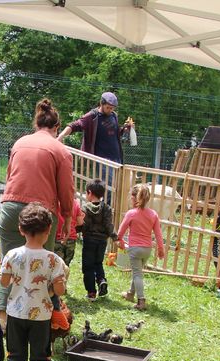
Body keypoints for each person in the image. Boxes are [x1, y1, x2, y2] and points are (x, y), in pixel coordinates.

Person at [0, 98, 75, 327]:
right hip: (41, 212)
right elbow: (66, 189)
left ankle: (2, 319)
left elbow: (10, 174)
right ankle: (49, 318)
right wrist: (67, 217)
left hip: (10, 207)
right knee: (44, 266)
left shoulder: (20, 143)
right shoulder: (60, 150)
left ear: (36, 124)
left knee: (7, 264)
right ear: (56, 127)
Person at [0, 203, 68, 361]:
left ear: (20, 229)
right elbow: (59, 290)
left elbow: (3, 283)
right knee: (41, 357)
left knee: (15, 355)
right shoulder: (53, 259)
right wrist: (59, 279)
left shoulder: (12, 254)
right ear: (48, 231)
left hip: (16, 314)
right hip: (41, 315)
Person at [57, 92, 134, 205]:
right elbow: (74, 125)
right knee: (110, 187)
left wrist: (125, 129)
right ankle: (106, 212)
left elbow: (115, 134)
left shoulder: (114, 116)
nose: (110, 110)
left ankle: (108, 212)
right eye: (108, 107)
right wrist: (60, 136)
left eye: (112, 108)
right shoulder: (92, 116)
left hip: (117, 158)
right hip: (102, 159)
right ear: (101, 104)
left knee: (117, 188)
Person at [116, 183, 166, 311]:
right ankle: (130, 294)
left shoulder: (131, 213)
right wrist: (161, 249)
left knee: (137, 274)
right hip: (147, 250)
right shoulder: (153, 214)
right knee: (137, 271)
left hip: (134, 248)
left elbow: (120, 233)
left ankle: (141, 300)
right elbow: (158, 234)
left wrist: (120, 241)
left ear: (134, 198)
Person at [80, 179, 117, 301]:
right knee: (98, 263)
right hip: (102, 242)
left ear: (89, 192)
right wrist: (114, 237)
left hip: (89, 241)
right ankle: (101, 280)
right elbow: (108, 225)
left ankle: (91, 293)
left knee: (88, 266)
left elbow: (83, 226)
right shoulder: (107, 208)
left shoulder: (85, 208)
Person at [54, 193, 83, 268]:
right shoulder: (76, 203)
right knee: (66, 265)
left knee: (57, 264)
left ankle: (57, 278)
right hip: (71, 238)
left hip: (58, 237)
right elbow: (80, 222)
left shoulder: (56, 203)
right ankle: (64, 278)